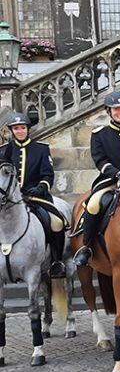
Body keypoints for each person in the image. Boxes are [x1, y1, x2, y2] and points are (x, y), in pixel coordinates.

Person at [73, 92, 120, 266]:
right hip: (110, 181)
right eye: (116, 109)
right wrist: (118, 173)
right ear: (109, 112)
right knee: (93, 204)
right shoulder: (100, 134)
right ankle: (87, 247)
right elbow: (100, 160)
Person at [1, 113, 68, 277]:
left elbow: (48, 174)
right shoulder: (3, 151)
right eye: (16, 128)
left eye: (23, 128)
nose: (20, 131)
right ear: (11, 131)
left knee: (56, 221)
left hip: (35, 197)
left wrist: (40, 188)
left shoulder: (41, 149)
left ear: (28, 129)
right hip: (9, 199)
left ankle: (56, 262)